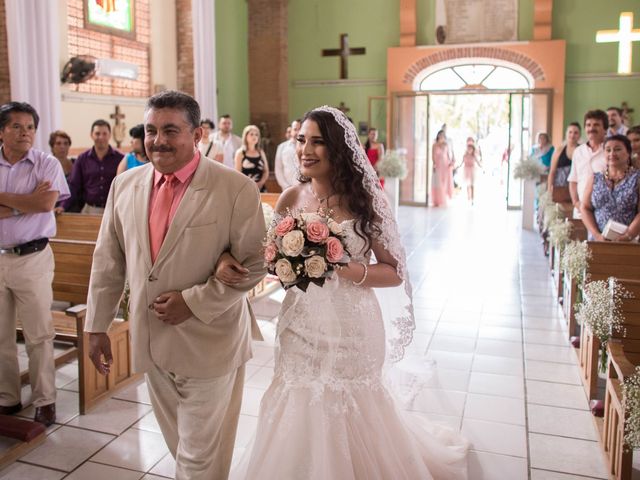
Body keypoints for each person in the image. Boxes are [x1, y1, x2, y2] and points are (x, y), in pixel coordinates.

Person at [219, 106, 469, 479]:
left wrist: (354, 271)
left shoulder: (366, 202)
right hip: (300, 321)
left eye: (318, 142)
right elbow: (268, 256)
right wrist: (260, 261)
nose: (305, 149)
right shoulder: (290, 197)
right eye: (302, 140)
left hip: (353, 323)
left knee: (350, 399)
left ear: (338, 148)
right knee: (298, 394)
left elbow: (395, 272)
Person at [83, 91, 266, 480]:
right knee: (181, 446)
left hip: (210, 340)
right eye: (151, 130)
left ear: (197, 134)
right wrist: (97, 325)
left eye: (170, 130)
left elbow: (254, 263)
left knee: (198, 455)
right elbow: (109, 260)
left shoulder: (234, 188)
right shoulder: (126, 185)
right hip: (152, 339)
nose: (158, 140)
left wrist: (194, 302)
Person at [0, 102, 70, 427]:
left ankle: (46, 400)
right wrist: (24, 203)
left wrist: (7, 202)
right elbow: (35, 203)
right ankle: (8, 398)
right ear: (2, 131)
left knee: (38, 334)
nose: (25, 132)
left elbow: (45, 203)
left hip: (33, 258)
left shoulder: (46, 163)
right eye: (17, 126)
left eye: (30, 127)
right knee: (1, 335)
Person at [580, 135, 639, 241]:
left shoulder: (637, 178)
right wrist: (597, 235)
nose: (612, 153)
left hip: (629, 241)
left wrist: (628, 236)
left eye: (617, 149)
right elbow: (585, 208)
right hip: (598, 240)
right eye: (608, 150)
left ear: (628, 153)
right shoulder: (595, 178)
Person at [58, 119, 123, 214]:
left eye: (104, 133)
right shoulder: (82, 159)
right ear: (91, 135)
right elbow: (73, 185)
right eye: (97, 133)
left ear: (110, 135)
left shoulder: (120, 159)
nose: (101, 137)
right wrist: (62, 206)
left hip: (113, 210)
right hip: (89, 210)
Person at [568, 109, 608, 217]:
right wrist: (576, 202)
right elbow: (573, 180)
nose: (591, 128)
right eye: (588, 125)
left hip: (604, 211)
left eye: (596, 125)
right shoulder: (578, 151)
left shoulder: (610, 151)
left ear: (605, 129)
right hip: (580, 210)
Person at [547, 122, 582, 193]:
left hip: (577, 189)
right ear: (566, 134)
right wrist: (549, 190)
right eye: (570, 132)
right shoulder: (559, 150)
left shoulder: (582, 151)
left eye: (576, 133)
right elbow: (552, 172)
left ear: (579, 135)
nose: (572, 135)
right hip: (560, 188)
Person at [234, 124, 269, 192]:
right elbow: (238, 173)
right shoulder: (240, 153)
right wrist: (248, 185)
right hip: (245, 188)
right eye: (251, 134)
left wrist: (260, 183)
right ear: (246, 136)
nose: (254, 136)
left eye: (256, 135)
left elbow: (266, 171)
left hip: (260, 188)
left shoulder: (260, 152)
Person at [274, 119, 301, 191]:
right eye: (295, 129)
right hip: (286, 189)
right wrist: (286, 186)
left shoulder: (306, 147)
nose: (297, 132)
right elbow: (278, 169)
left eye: (300, 129)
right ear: (291, 130)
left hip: (304, 189)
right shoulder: (281, 147)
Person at [431, 130, 454, 207]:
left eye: (443, 136)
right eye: (440, 135)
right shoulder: (434, 145)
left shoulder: (446, 145)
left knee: (445, 183)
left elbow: (448, 155)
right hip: (438, 166)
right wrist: (434, 165)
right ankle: (437, 200)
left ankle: (444, 199)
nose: (441, 137)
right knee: (438, 183)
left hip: (445, 166)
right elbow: (433, 156)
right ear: (438, 136)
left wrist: (451, 162)